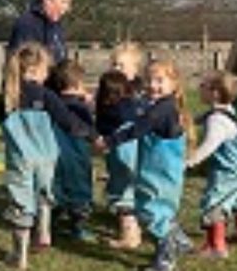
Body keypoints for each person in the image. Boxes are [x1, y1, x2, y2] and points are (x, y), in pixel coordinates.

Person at [1, 43, 101, 269]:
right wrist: (93, 136)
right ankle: (44, 232)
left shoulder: (9, 95)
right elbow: (68, 121)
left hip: (21, 158)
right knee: (45, 193)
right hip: (47, 156)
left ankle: (21, 256)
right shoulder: (47, 95)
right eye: (46, 68)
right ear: (37, 70)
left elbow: (4, 126)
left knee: (21, 203)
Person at [104, 60, 195, 271]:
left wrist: (111, 141)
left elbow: (140, 126)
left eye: (159, 80)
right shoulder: (159, 103)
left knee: (152, 211)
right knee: (157, 208)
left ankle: (165, 260)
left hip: (161, 172)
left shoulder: (163, 109)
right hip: (155, 170)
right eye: (149, 80)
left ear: (174, 84)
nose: (153, 85)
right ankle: (180, 241)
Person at [187, 70, 237, 258]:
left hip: (228, 171)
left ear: (215, 93)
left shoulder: (217, 121)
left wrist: (191, 160)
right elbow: (199, 119)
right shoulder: (226, 112)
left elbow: (210, 145)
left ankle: (216, 247)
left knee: (214, 203)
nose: (199, 89)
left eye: (203, 86)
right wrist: (188, 122)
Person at [95, 70, 143, 249]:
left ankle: (129, 237)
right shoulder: (133, 106)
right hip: (132, 154)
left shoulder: (110, 111)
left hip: (120, 154)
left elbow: (102, 129)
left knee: (122, 194)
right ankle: (135, 230)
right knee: (128, 189)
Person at [48, 59, 95, 240]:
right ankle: (78, 226)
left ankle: (51, 221)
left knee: (56, 186)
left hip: (56, 155)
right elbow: (89, 128)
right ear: (77, 84)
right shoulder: (79, 107)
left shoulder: (52, 103)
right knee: (79, 188)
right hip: (78, 154)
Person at [6, 0, 75, 63]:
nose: (67, 8)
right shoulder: (27, 25)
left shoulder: (56, 26)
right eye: (63, 2)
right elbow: (25, 68)